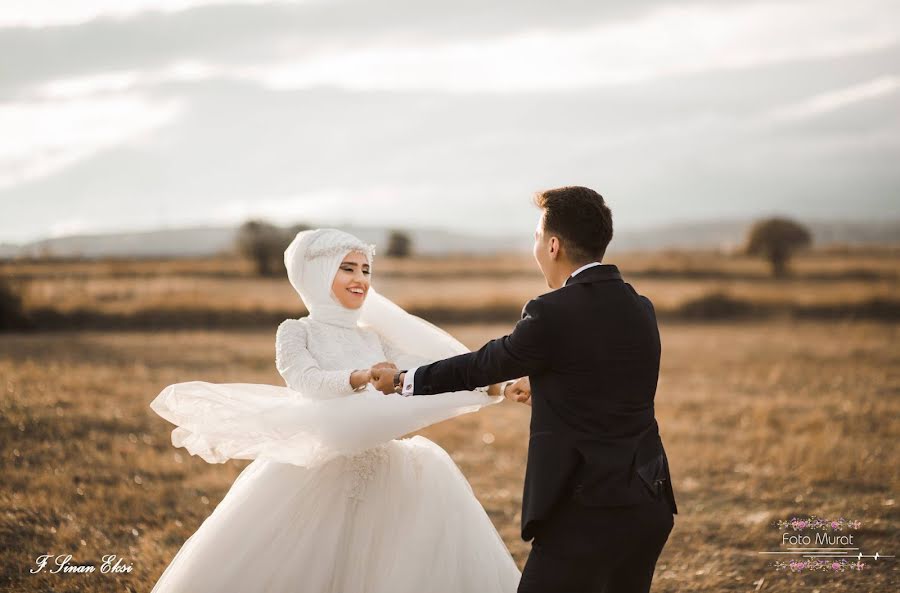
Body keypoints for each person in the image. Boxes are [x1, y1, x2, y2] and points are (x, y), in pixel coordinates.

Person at [149, 228, 521, 593]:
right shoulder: (296, 331)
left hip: (382, 463)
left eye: (365, 270)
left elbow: (430, 372)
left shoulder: (373, 335)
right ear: (316, 273)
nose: (360, 278)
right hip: (317, 464)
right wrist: (360, 376)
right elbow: (305, 380)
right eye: (347, 268)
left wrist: (497, 384)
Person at [371, 186, 678, 593]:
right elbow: (608, 377)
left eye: (536, 235)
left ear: (553, 245)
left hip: (585, 511)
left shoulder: (551, 312)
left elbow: (482, 365)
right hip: (648, 499)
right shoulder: (640, 307)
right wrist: (548, 386)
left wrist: (403, 380)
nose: (534, 244)